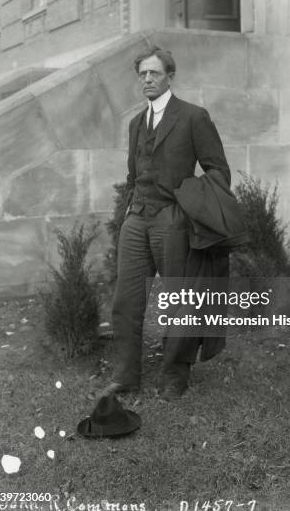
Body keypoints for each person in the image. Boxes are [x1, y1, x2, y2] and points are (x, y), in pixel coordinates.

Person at [104, 46, 233, 400]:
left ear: (170, 76)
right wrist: (130, 210)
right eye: (143, 74)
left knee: (179, 300)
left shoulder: (193, 117)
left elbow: (218, 171)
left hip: (173, 221)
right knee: (126, 300)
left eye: (155, 73)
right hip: (137, 220)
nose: (147, 79)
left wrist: (188, 205)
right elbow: (133, 174)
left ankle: (176, 374)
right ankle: (126, 376)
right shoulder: (135, 123)